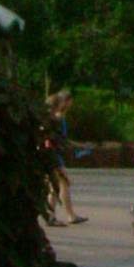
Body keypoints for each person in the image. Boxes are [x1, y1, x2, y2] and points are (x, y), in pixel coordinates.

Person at [43, 90, 87, 226]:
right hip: (54, 156)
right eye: (70, 101)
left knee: (60, 185)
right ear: (65, 102)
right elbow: (61, 139)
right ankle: (54, 216)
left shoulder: (56, 117)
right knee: (58, 185)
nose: (71, 104)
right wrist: (79, 145)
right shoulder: (58, 118)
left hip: (54, 154)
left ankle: (67, 215)